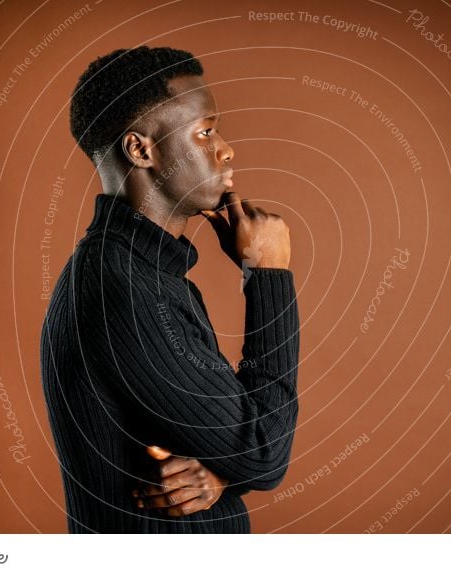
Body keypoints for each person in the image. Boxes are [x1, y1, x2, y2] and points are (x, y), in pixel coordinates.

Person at [40, 46, 301, 533]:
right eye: (204, 131)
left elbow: (234, 443)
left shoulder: (143, 272)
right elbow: (265, 448)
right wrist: (268, 277)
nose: (226, 149)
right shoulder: (124, 291)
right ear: (141, 150)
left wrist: (222, 474)